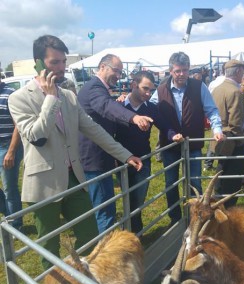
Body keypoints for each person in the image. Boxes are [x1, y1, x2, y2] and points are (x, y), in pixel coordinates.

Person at [8, 35, 143, 270]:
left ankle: (81, 281)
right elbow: (36, 135)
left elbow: (94, 130)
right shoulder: (19, 98)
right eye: (54, 63)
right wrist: (50, 98)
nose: (61, 68)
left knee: (90, 236)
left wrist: (125, 155)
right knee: (49, 247)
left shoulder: (69, 96)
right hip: (44, 184)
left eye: (63, 62)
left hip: (75, 178)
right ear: (38, 63)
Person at [78, 54, 153, 233]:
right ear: (103, 67)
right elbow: (105, 106)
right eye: (116, 71)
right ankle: (107, 255)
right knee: (105, 212)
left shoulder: (98, 89)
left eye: (120, 72)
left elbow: (107, 106)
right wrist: (133, 117)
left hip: (101, 156)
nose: (118, 76)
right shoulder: (95, 89)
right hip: (95, 159)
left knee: (106, 208)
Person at [151, 52, 223, 225]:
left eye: (185, 70)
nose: (181, 74)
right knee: (170, 183)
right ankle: (175, 218)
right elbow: (150, 107)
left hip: (193, 143)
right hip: (170, 144)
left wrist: (217, 128)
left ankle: (195, 217)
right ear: (170, 71)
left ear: (189, 69)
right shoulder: (161, 90)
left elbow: (211, 109)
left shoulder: (199, 86)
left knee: (195, 182)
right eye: (177, 71)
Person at [115, 71, 183, 233]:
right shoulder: (118, 107)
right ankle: (129, 231)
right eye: (145, 88)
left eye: (151, 90)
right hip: (120, 160)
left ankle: (133, 231)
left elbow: (164, 125)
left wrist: (173, 135)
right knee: (125, 197)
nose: (148, 93)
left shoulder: (151, 108)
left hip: (142, 160)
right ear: (133, 85)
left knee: (138, 198)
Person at [211, 59, 244, 207]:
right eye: (242, 71)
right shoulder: (235, 91)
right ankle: (229, 208)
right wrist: (240, 140)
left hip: (219, 137)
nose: (243, 74)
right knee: (233, 177)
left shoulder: (217, 88)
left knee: (221, 172)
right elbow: (236, 122)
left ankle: (218, 203)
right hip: (233, 140)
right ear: (238, 71)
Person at [0, 78, 23, 230]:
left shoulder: (10, 94)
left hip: (8, 146)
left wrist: (11, 152)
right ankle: (8, 213)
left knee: (9, 187)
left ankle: (15, 224)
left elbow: (18, 125)